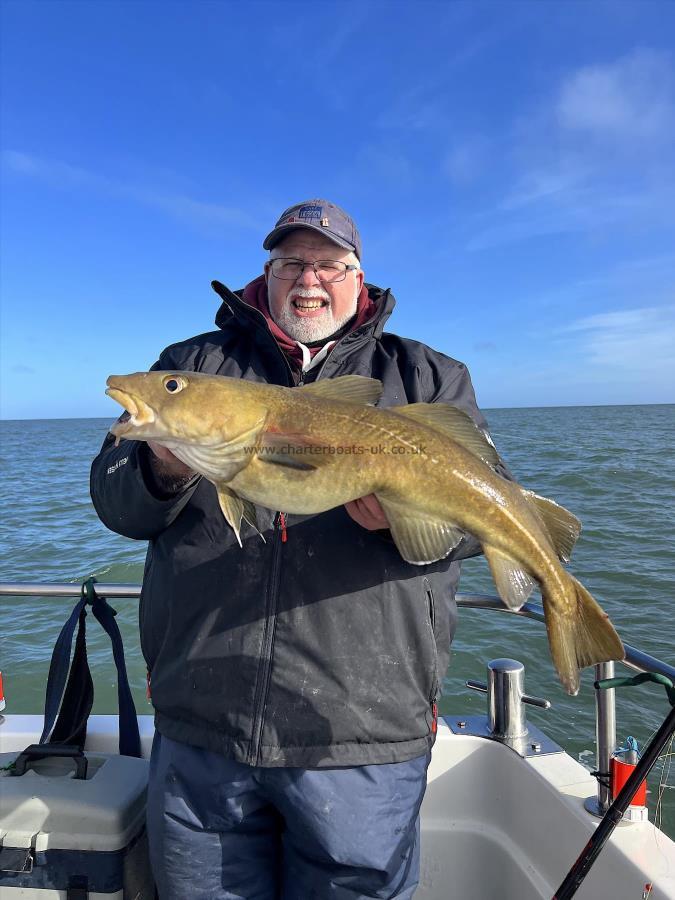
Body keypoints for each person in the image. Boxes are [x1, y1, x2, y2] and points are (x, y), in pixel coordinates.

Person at [91, 199, 508, 899]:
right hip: (203, 724)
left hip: (359, 730)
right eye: (289, 262)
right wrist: (162, 467)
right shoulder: (192, 367)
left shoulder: (431, 376)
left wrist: (399, 522)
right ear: (267, 273)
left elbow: (480, 512)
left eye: (328, 263)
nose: (307, 278)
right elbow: (116, 505)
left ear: (359, 277)